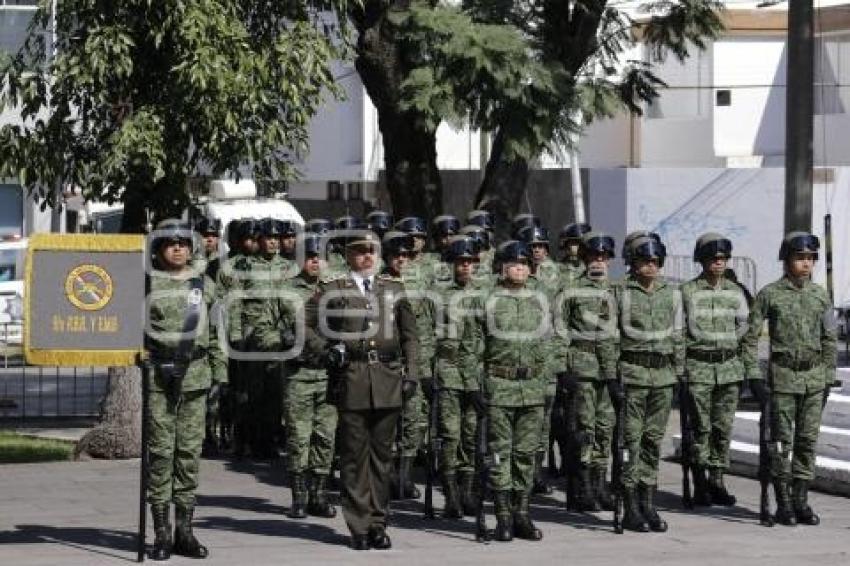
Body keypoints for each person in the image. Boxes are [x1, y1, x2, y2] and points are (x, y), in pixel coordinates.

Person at [306, 233, 418, 550]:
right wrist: (325, 349)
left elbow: (411, 336)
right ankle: (359, 526)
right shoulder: (333, 290)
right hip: (352, 378)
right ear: (348, 256)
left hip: (388, 378)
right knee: (354, 458)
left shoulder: (394, 289)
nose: (367, 256)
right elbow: (303, 323)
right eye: (359, 251)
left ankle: (379, 523)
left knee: (383, 458)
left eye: (372, 251)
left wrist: (412, 373)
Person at [743, 231, 837, 526]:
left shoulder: (821, 295)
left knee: (807, 441)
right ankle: (783, 501)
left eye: (810, 258)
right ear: (786, 260)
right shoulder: (769, 294)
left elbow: (830, 338)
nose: (806, 264)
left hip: (814, 378)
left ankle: (801, 500)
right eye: (800, 258)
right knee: (781, 443)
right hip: (783, 378)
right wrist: (754, 377)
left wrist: (828, 377)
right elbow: (749, 338)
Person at [145, 220, 226, 560]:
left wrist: (220, 375)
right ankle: (161, 533)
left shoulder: (204, 285)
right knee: (162, 454)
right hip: (160, 379)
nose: (177, 248)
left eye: (183, 243)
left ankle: (185, 531)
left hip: (196, 376)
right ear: (158, 248)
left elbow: (219, 331)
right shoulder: (147, 284)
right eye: (170, 243)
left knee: (189, 456)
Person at [460, 240, 549, 542]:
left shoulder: (541, 298)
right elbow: (471, 347)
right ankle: (503, 516)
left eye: (524, 264)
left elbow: (552, 342)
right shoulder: (486, 299)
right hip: (499, 387)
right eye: (513, 264)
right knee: (500, 454)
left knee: (526, 454)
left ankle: (522, 512)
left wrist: (549, 382)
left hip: (533, 388)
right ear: (502, 267)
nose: (520, 268)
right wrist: (473, 386)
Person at [253, 232, 338, 519]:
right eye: (310, 256)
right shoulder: (283, 290)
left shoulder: (337, 291)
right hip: (298, 375)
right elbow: (262, 333)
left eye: (320, 256)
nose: (315, 262)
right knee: (299, 438)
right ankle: (299, 497)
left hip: (329, 373)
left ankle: (319, 495)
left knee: (325, 437)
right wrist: (285, 339)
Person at [614, 235, 684, 533]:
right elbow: (609, 338)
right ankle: (630, 505)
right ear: (633, 263)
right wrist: (611, 377)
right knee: (630, 441)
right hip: (632, 375)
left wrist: (680, 372)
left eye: (655, 261)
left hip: (663, 377)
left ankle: (648, 501)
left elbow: (679, 334)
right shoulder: (618, 293)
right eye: (645, 261)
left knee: (653, 441)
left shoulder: (672, 293)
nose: (651, 266)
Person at [680, 233, 750, 507]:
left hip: (729, 368)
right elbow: (678, 331)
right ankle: (699, 481)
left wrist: (744, 364)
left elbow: (744, 327)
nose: (718, 263)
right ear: (702, 260)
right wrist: (680, 368)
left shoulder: (735, 291)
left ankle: (717, 479)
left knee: (723, 428)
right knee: (701, 428)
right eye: (713, 258)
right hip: (699, 367)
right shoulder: (687, 292)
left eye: (722, 258)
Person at [559, 232, 619, 511]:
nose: (598, 261)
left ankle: (600, 483)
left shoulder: (618, 290)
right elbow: (558, 332)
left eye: (603, 256)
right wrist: (563, 369)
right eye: (593, 256)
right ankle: (582, 486)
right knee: (584, 428)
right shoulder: (570, 289)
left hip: (611, 371)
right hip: (582, 366)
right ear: (584, 259)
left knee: (606, 428)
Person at [434, 235, 486, 517]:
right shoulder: (438, 294)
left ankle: (467, 491)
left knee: (471, 434)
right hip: (448, 372)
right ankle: (451, 494)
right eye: (461, 262)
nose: (465, 267)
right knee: (450, 435)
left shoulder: (484, 294)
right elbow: (427, 334)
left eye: (470, 262)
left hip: (475, 373)